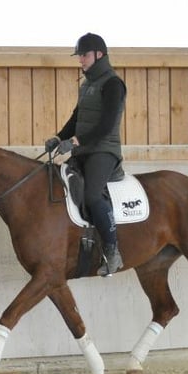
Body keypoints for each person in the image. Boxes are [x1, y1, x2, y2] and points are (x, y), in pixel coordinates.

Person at [45, 32, 127, 277]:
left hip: (104, 150)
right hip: (83, 149)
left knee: (92, 195)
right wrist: (59, 137)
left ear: (98, 55)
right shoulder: (87, 84)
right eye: (79, 55)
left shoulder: (113, 84)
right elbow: (76, 118)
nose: (80, 59)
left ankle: (112, 252)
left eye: (84, 55)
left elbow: (106, 124)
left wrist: (75, 141)